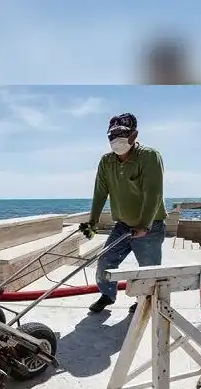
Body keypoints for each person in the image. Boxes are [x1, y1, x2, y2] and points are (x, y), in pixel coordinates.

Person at [83, 112, 167, 314]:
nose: (116, 139)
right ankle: (107, 295)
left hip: (150, 225)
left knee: (147, 269)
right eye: (112, 135)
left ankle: (144, 301)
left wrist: (144, 225)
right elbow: (100, 193)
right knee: (105, 260)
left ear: (134, 135)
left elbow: (154, 193)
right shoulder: (106, 162)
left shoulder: (149, 157)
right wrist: (92, 222)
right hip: (123, 225)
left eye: (122, 134)